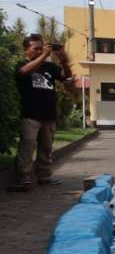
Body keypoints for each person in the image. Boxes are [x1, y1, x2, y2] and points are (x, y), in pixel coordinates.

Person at [12, 34, 73, 190]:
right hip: (30, 114)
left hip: (49, 115)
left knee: (46, 147)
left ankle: (44, 176)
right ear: (26, 50)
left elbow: (67, 76)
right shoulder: (21, 64)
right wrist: (45, 55)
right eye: (36, 49)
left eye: (42, 48)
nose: (39, 51)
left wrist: (64, 60)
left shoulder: (50, 68)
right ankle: (24, 177)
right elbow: (23, 72)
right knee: (28, 145)